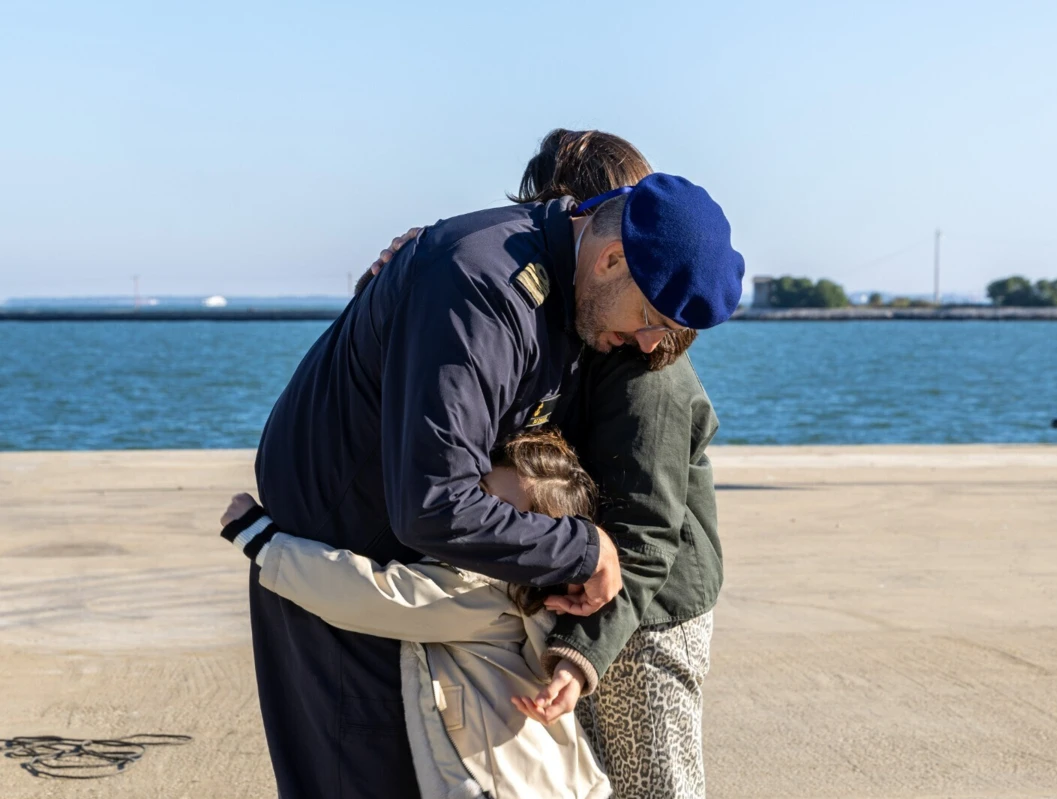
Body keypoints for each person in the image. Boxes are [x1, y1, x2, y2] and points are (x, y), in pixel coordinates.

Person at [250, 125, 744, 798]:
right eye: (652, 316)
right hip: (344, 554)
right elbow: (434, 500)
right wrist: (581, 549)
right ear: (607, 259)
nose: (655, 343)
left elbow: (648, 533)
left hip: (551, 598)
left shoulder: (600, 322)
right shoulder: (486, 290)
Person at [219, 431, 610, 799]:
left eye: (499, 512)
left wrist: (262, 540)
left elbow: (372, 595)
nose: (478, 514)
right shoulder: (529, 596)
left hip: (494, 783)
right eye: (477, 494)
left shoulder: (481, 593)